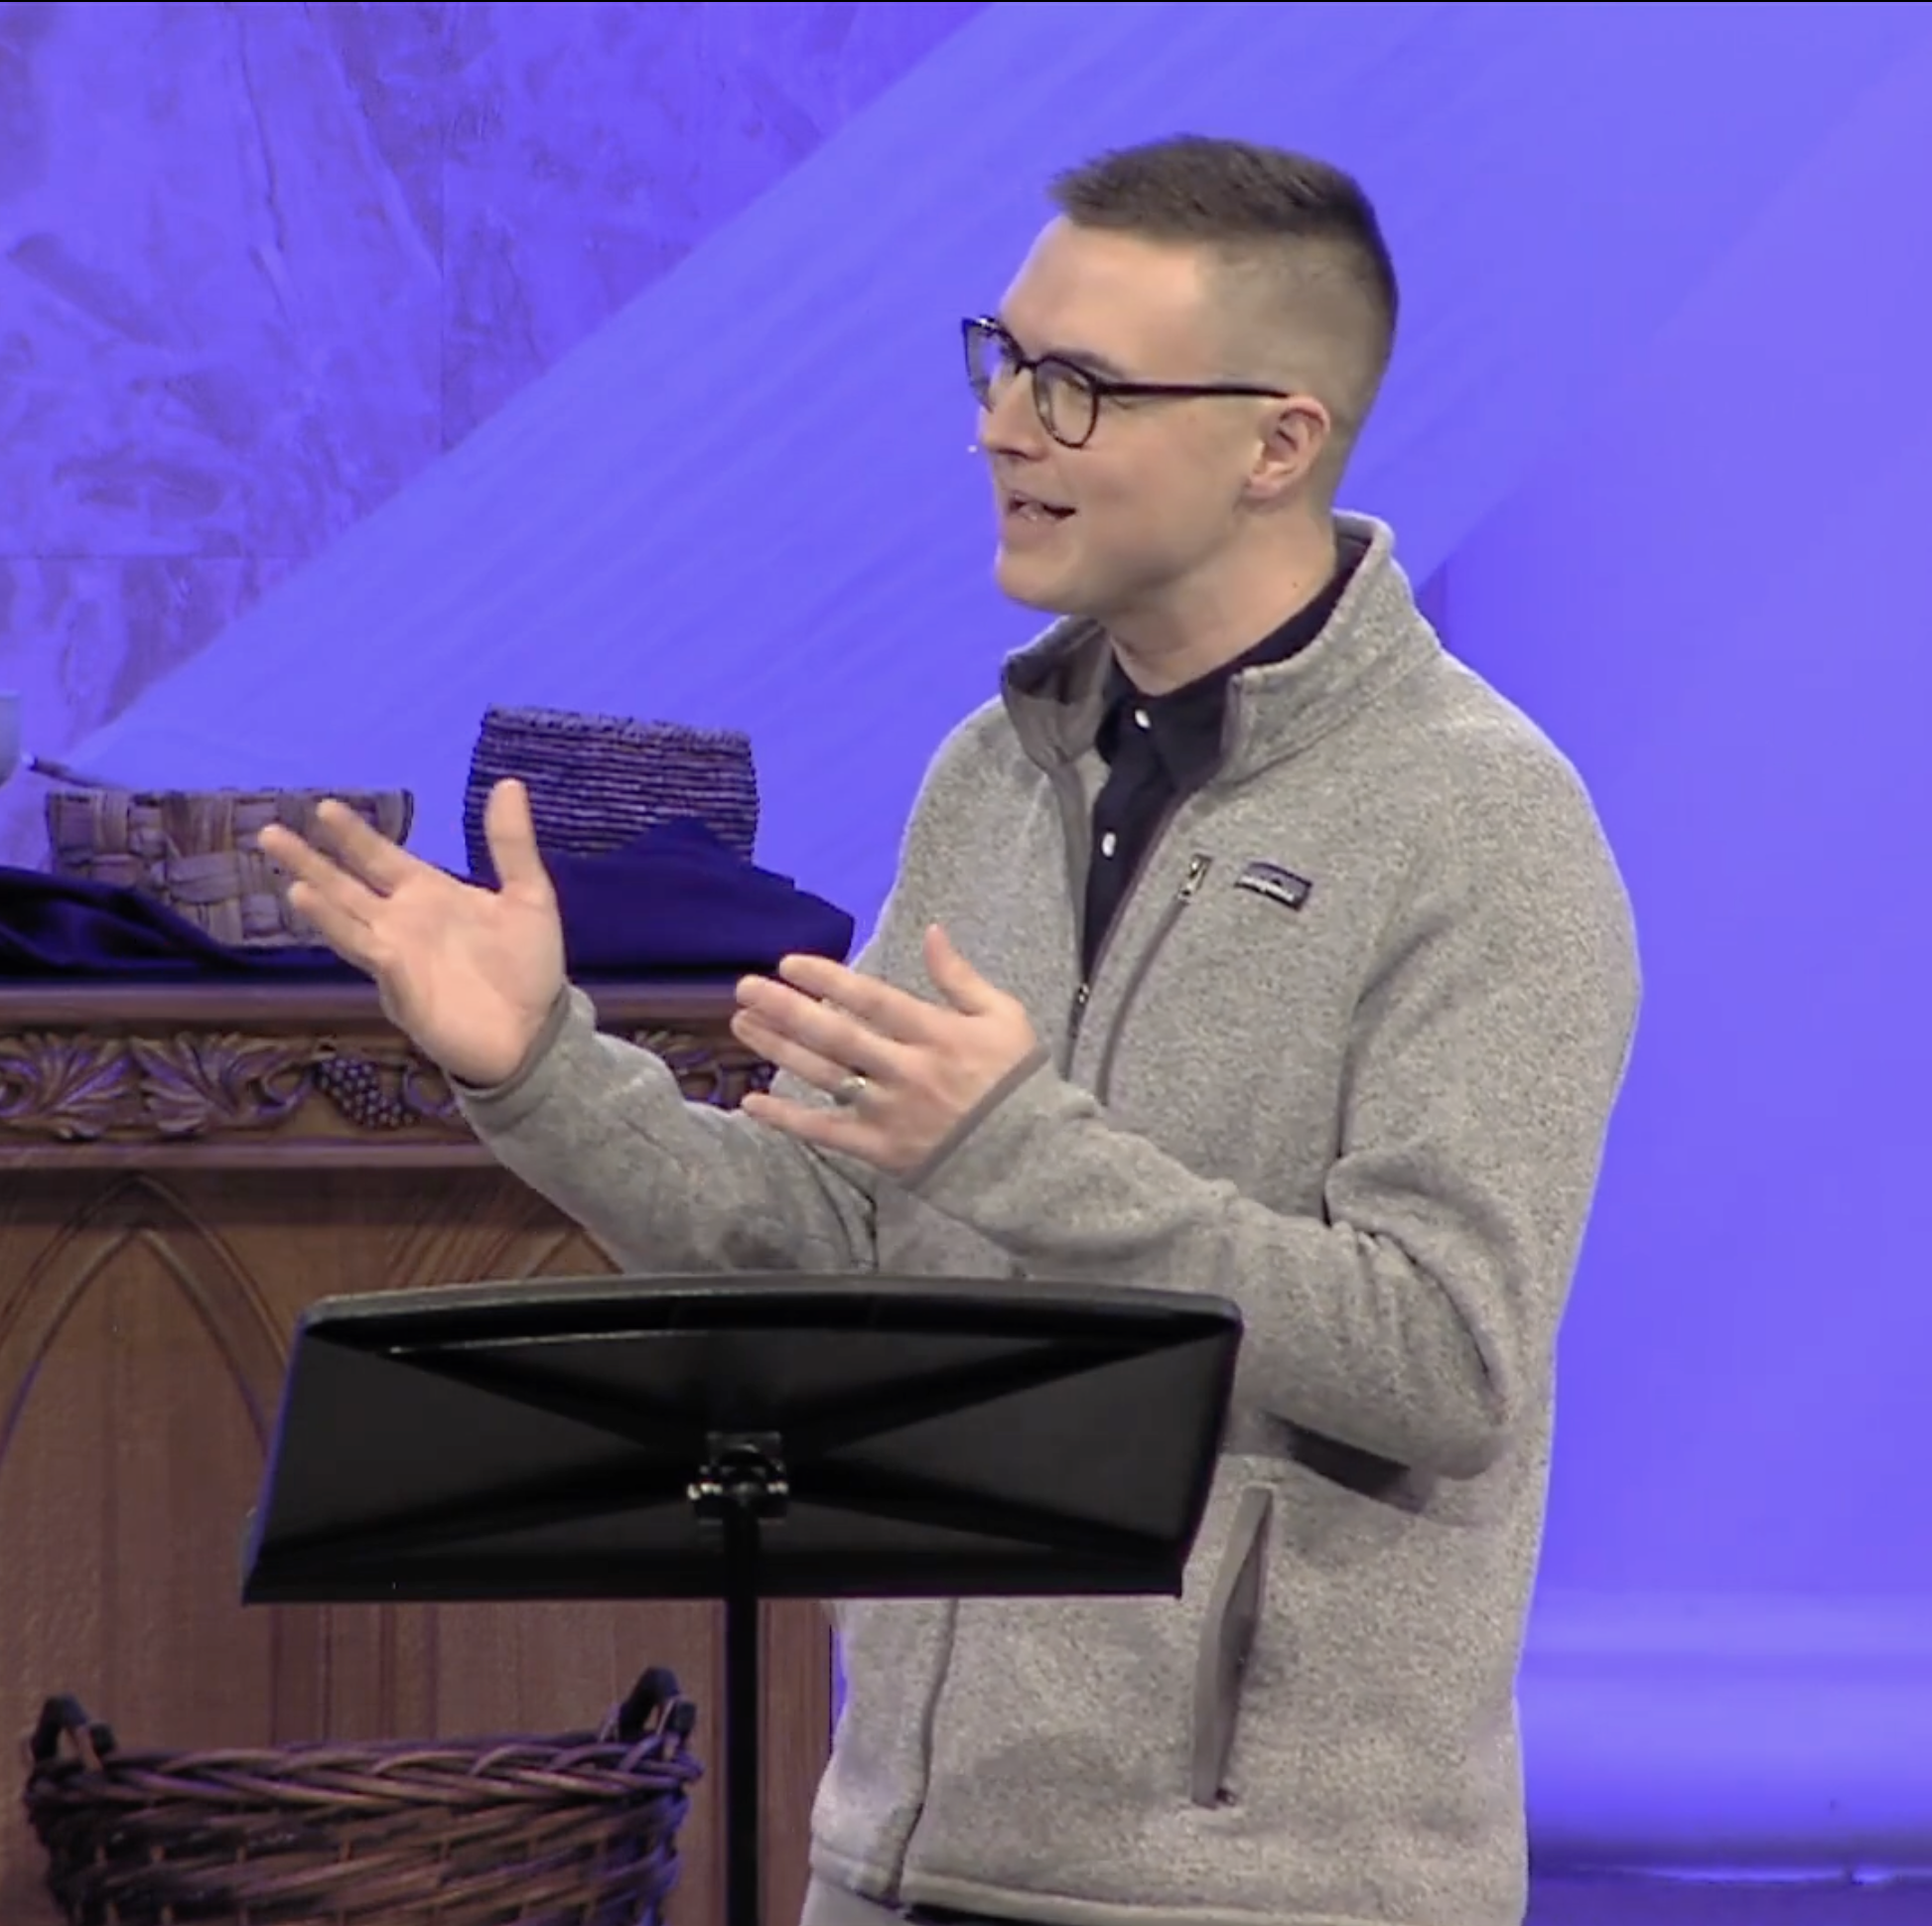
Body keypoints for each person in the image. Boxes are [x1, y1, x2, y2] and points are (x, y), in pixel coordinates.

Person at [263, 135, 1638, 1926]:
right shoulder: (992, 775)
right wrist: (535, 1069)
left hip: (1254, 1886)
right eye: (1002, 362)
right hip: (901, 1858)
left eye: (1078, 388)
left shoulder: (1479, 823)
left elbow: (1442, 1361)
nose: (1002, 428)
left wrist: (1018, 1152)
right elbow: (827, 1247)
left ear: (1276, 443)